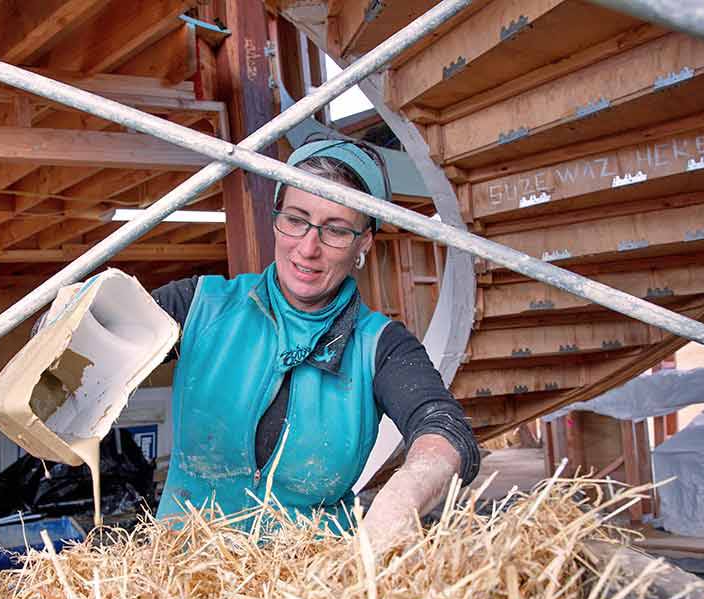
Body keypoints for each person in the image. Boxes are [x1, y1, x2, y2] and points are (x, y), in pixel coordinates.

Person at [150, 139, 479, 552]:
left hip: (311, 581)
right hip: (182, 571)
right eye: (296, 219)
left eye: (337, 230)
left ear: (364, 243)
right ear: (276, 219)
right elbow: (108, 332)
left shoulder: (381, 346)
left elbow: (443, 427)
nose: (308, 248)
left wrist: (404, 495)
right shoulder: (199, 305)